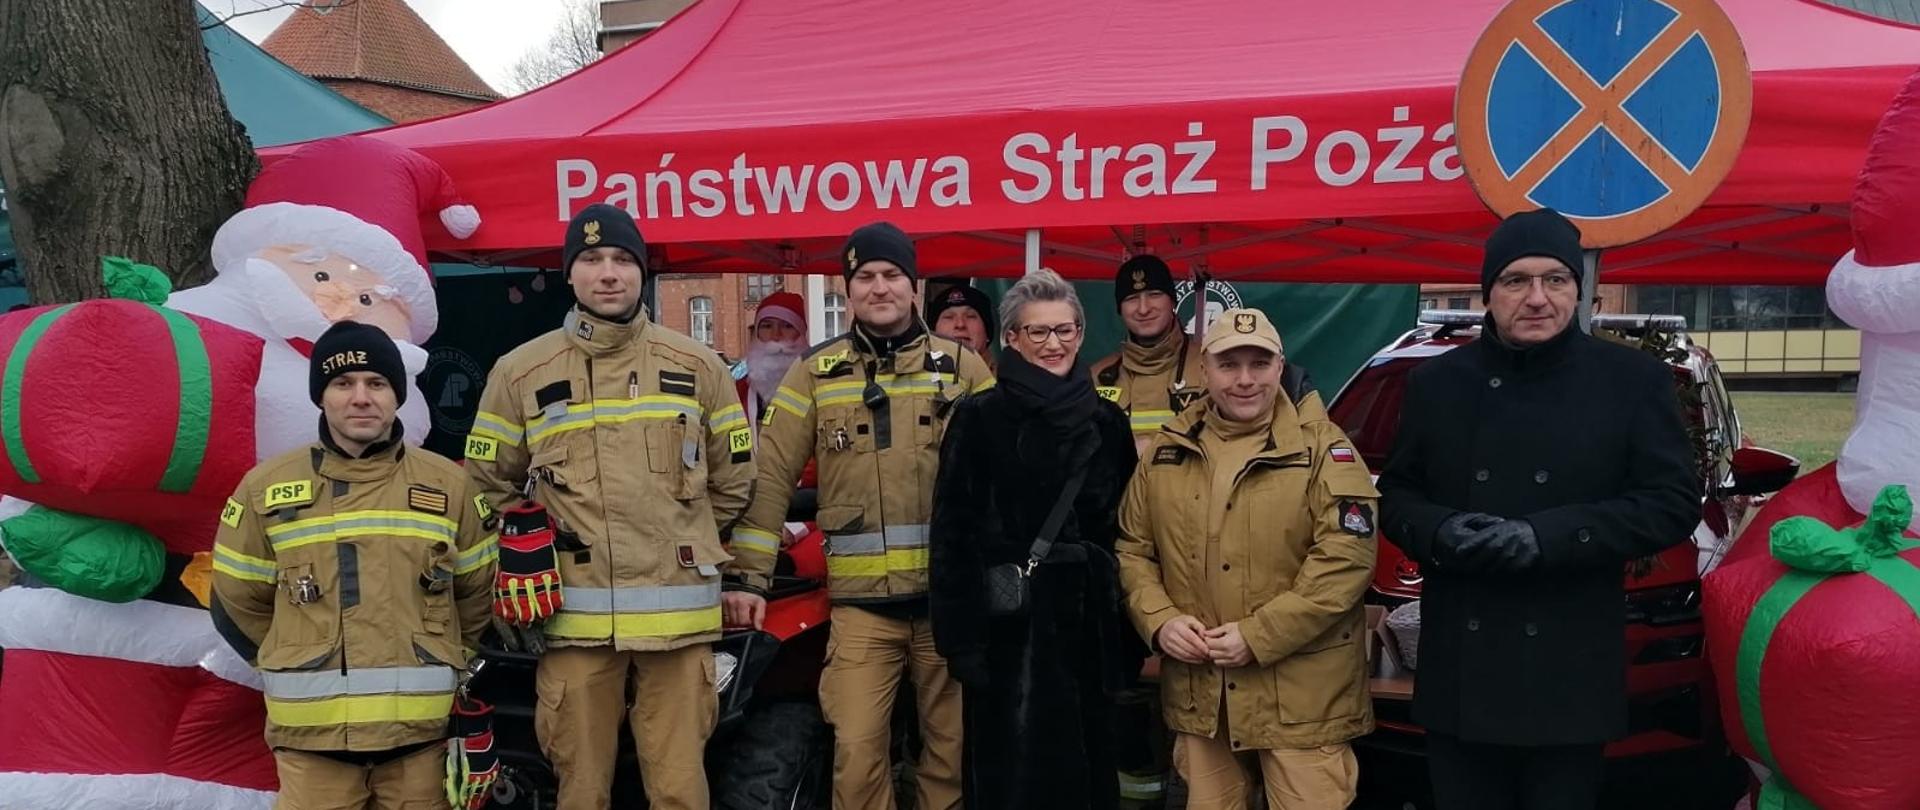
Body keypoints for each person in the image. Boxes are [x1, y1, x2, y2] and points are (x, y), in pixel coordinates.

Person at [1376, 208, 1701, 810]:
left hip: (1567, 669)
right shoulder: (1436, 383)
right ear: (1488, 294)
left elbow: (1672, 503)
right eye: (1515, 280)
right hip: (1463, 669)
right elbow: (1396, 495)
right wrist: (1440, 529)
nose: (1536, 298)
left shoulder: (1632, 381)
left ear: (1579, 292)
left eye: (1555, 279)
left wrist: (1549, 535)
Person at [464, 204, 755, 810]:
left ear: (641, 272)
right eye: (592, 259)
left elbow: (734, 481)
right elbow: (484, 486)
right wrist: (522, 547)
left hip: (678, 626)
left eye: (623, 259)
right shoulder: (519, 372)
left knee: (679, 790)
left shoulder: (699, 366)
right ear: (569, 273)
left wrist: (683, 538)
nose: (608, 273)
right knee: (580, 790)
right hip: (575, 624)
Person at [728, 221, 994, 810]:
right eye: (866, 276)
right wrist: (748, 578)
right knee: (856, 752)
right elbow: (769, 479)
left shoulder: (964, 369)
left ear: (913, 284)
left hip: (947, 606)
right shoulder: (814, 374)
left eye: (892, 274)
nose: (880, 287)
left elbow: (999, 480)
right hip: (859, 612)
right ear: (848, 290)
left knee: (950, 754)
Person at [210, 320, 499, 809]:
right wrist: (294, 658)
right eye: (343, 383)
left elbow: (478, 596)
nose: (361, 398)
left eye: (377, 383)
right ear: (320, 397)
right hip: (313, 750)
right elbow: (234, 602)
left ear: (397, 395)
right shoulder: (265, 490)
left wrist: (440, 656)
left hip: (421, 747)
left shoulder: (450, 487)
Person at [1116, 307, 1378, 810]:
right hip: (1203, 694)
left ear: (1280, 366)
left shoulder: (1324, 448)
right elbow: (1133, 548)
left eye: (1259, 364)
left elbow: (1345, 562)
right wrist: (1160, 620)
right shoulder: (1169, 449)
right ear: (1204, 370)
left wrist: (1258, 636)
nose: (1244, 380)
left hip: (1302, 702)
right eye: (1228, 364)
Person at [929, 268, 1143, 809]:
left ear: (1080, 331)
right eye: (1038, 331)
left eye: (1065, 330)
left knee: (1088, 777)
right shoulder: (979, 417)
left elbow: (1130, 532)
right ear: (1012, 338)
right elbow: (952, 535)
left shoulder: (1108, 422)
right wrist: (961, 642)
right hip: (1009, 633)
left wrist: (1126, 636)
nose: (1054, 343)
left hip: (1090, 632)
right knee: (1013, 781)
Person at [1091, 255, 1207, 452]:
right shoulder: (1096, 377)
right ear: (1120, 309)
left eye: (1154, 294)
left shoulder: (1210, 365)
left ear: (1172, 301)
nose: (1143, 309)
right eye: (1132, 298)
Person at [738, 290, 809, 431]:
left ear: (801, 334)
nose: (775, 336)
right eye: (767, 326)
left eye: (787, 326)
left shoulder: (817, 387)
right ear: (756, 334)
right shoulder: (737, 391)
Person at [929, 283, 996, 369]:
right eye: (949, 317)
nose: (960, 324)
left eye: (970, 316)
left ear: (987, 333)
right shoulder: (915, 374)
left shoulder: (1006, 376)